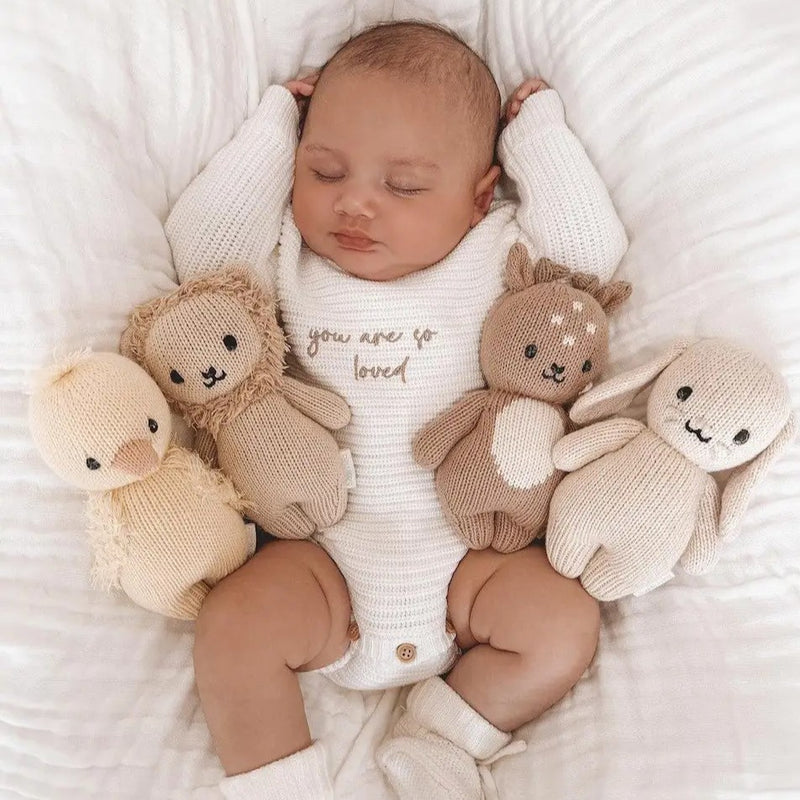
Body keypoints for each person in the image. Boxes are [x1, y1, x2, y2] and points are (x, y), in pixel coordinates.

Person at [165, 19, 628, 800]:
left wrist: (535, 135)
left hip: (471, 563)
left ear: (480, 196)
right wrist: (277, 125)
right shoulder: (289, 258)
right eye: (324, 171)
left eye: (404, 186)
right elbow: (202, 246)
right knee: (233, 627)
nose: (355, 204)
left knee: (561, 622)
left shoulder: (497, 251)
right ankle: (277, 782)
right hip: (321, 562)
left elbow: (590, 250)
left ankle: (443, 738)